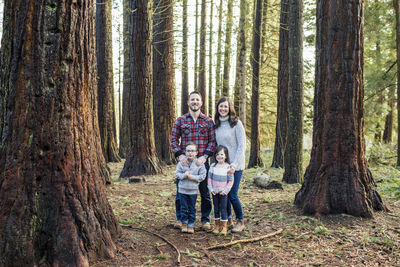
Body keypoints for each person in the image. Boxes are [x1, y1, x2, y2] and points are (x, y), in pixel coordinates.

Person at [171, 91, 216, 230]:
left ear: (201, 103)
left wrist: (205, 156)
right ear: (188, 102)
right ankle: (180, 219)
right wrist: (180, 155)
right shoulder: (181, 120)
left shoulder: (208, 121)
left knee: (204, 193)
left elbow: (212, 141)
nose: (195, 102)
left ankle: (205, 220)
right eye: (192, 100)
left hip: (201, 163)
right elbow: (173, 139)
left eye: (197, 99)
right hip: (185, 164)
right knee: (181, 192)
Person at [214, 97, 246, 233]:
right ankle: (229, 220)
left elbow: (242, 145)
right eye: (221, 106)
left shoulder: (236, 124)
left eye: (225, 107)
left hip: (235, 166)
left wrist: (234, 164)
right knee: (223, 193)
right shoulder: (216, 125)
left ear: (230, 108)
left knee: (232, 194)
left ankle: (240, 220)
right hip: (221, 166)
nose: (223, 109)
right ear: (217, 108)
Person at [175, 143, 206, 234]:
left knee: (192, 208)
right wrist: (184, 175)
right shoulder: (181, 163)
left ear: (196, 153)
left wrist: (192, 177)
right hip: (182, 190)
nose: (190, 153)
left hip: (193, 190)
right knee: (183, 207)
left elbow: (202, 176)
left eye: (192, 151)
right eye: (188, 151)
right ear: (185, 152)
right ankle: (184, 223)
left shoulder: (199, 164)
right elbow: (177, 174)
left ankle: (191, 224)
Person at [208, 145, 233, 235]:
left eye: (222, 154)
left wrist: (225, 191)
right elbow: (209, 178)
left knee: (223, 209)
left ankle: (224, 226)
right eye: (217, 154)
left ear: (226, 156)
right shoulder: (213, 166)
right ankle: (217, 225)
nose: (219, 156)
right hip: (214, 192)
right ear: (215, 156)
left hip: (223, 193)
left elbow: (230, 180)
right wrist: (210, 189)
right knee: (216, 208)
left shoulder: (228, 167)